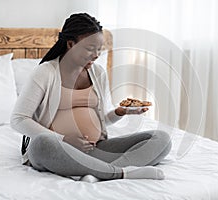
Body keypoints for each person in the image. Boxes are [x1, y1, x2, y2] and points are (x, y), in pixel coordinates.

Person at [10, 13, 172, 182]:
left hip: (96, 149)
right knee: (41, 144)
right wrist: (64, 139)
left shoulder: (98, 73)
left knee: (162, 139)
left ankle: (94, 171)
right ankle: (120, 173)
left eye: (99, 49)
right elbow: (18, 119)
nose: (96, 55)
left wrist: (119, 112)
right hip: (58, 149)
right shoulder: (45, 72)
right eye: (89, 48)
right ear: (71, 44)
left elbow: (100, 120)